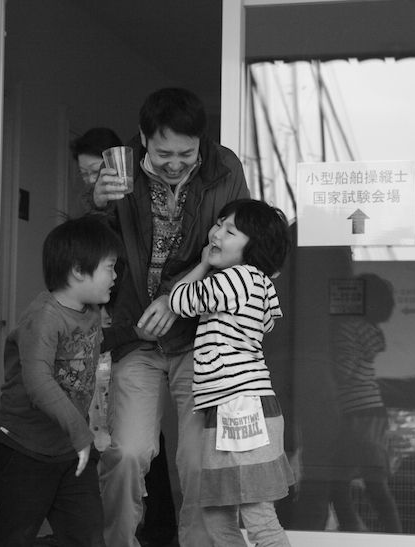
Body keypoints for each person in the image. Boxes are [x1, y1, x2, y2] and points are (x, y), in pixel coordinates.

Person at [89, 87, 251, 547]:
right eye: (164, 154)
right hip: (136, 336)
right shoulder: (120, 169)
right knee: (127, 453)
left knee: (199, 461)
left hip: (201, 337)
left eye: (186, 153)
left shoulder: (225, 168)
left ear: (202, 142)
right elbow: (95, 249)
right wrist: (97, 203)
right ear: (144, 138)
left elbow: (237, 249)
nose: (176, 164)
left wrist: (176, 298)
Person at [0, 215, 123, 547]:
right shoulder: (44, 318)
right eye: (109, 267)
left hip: (71, 451)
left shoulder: (91, 312)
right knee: (13, 540)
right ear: (78, 270)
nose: (115, 276)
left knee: (88, 538)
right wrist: (81, 434)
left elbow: (87, 357)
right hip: (25, 450)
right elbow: (39, 383)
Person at [71, 127, 179, 547]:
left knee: (160, 453)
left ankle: (161, 531)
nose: (91, 180)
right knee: (128, 449)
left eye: (96, 171)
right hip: (129, 344)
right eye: (84, 174)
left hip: (163, 338)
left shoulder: (144, 199)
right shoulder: (97, 214)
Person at [168, 198, 295, 546]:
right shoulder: (260, 283)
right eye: (219, 223)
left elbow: (178, 300)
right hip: (235, 406)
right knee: (216, 512)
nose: (216, 234)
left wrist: (202, 264)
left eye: (230, 231)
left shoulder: (236, 278)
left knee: (257, 517)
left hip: (240, 406)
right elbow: (266, 323)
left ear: (253, 248)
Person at [328, 273, 402, 533]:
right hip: (373, 411)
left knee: (339, 486)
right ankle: (393, 536)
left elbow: (345, 369)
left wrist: (326, 371)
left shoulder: (346, 327)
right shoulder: (370, 329)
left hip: (356, 413)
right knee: (374, 483)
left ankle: (355, 533)